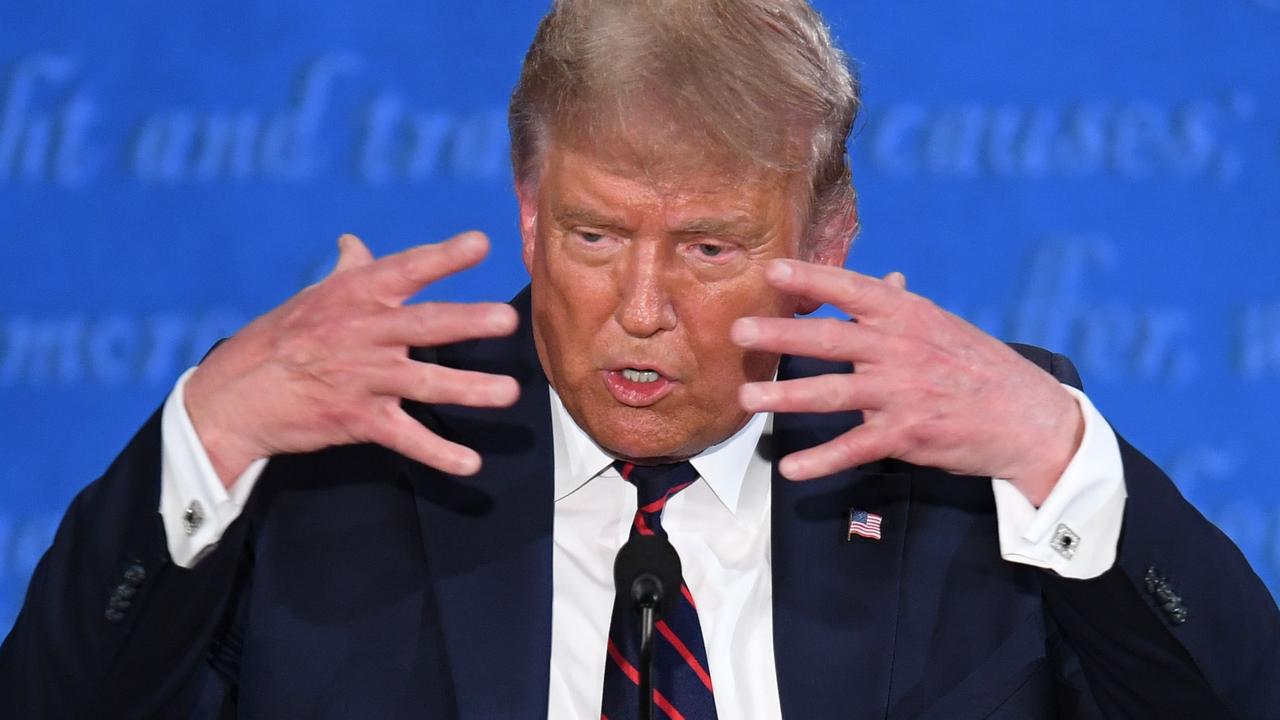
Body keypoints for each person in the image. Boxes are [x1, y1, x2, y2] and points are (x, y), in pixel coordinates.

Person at [2, 0, 1278, 717]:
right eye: (594, 233)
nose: (642, 306)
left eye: (710, 247)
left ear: (828, 235)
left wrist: (1063, 460)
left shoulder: (956, 458)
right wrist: (205, 435)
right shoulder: (336, 460)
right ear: (524, 208)